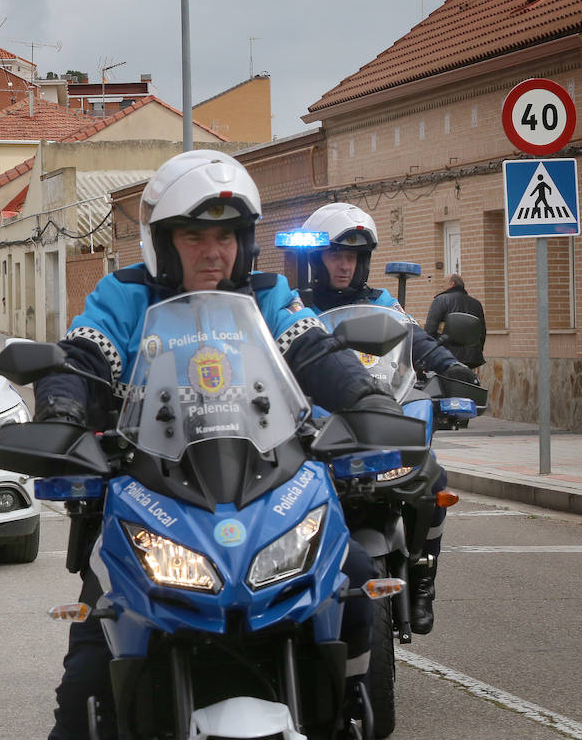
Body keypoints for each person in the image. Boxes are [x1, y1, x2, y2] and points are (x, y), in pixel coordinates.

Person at [35, 151, 397, 740]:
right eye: (194, 235)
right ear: (163, 241)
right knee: (89, 657)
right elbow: (80, 356)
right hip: (153, 489)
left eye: (227, 236)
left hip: (266, 485)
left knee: (352, 581)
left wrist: (369, 402)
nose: (213, 251)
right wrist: (60, 409)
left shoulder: (270, 294)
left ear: (246, 242)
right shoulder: (124, 296)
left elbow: (315, 353)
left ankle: (349, 715)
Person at [298, 202, 480, 637]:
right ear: (317, 259)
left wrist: (451, 368)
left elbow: (415, 339)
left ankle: (423, 578)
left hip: (382, 418)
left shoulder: (382, 303)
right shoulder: (295, 307)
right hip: (320, 427)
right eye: (335, 256)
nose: (344, 266)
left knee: (434, 480)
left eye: (353, 258)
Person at [424, 274, 486, 368]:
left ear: (452, 284)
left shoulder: (440, 300)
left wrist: (430, 353)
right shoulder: (476, 304)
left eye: (444, 283)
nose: (441, 286)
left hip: (447, 355)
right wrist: (477, 350)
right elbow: (482, 331)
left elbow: (430, 329)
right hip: (472, 357)